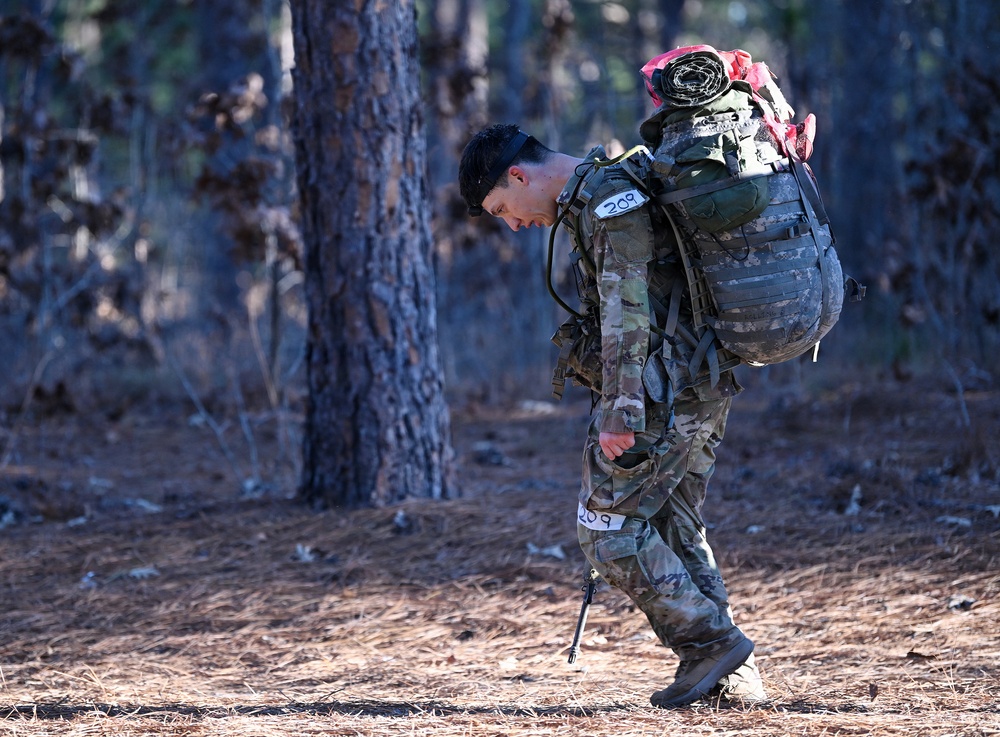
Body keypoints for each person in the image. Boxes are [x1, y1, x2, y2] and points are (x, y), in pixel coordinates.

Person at [458, 123, 766, 708]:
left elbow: (629, 311)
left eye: (502, 207)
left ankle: (712, 643)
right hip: (695, 382)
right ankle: (727, 677)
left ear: (519, 175)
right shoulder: (605, 191)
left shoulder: (607, 201)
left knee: (607, 532)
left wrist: (622, 409)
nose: (514, 223)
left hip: (660, 392)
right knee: (674, 522)